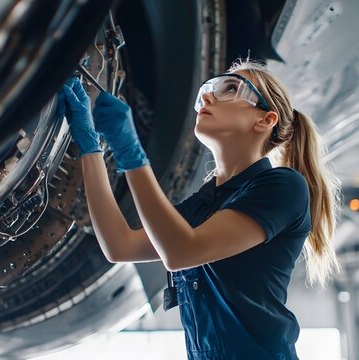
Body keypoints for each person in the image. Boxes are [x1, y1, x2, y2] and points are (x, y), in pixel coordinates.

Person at [60, 58, 343, 360]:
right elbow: (120, 245)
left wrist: (130, 152)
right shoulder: (205, 203)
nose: (207, 97)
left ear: (266, 119)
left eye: (230, 89)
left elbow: (181, 252)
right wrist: (89, 147)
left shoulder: (283, 187)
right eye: (208, 90)